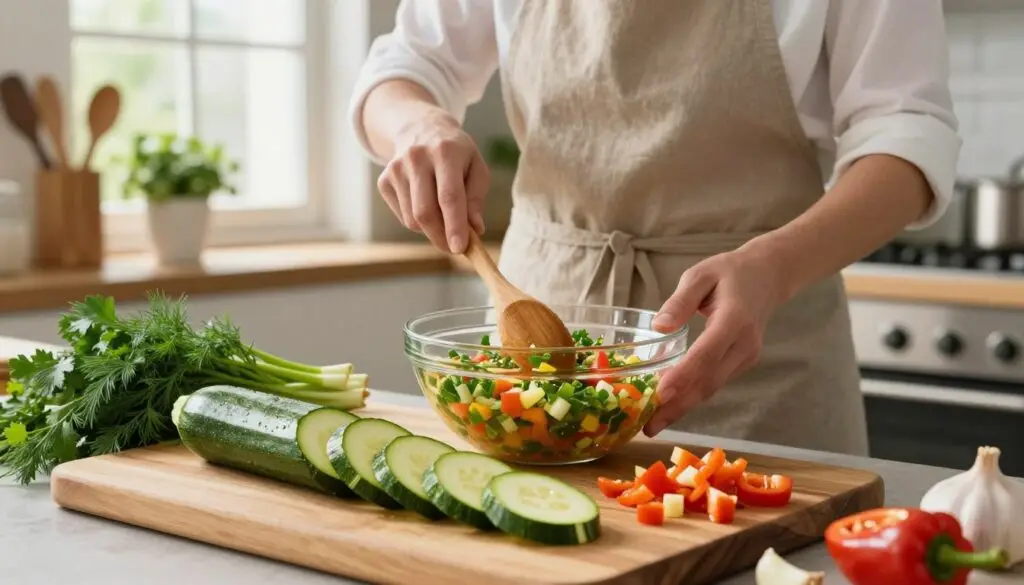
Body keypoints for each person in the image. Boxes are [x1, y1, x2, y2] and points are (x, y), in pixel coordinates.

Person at [349, 0, 960, 456]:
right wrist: (416, 126)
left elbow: (906, 132)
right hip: (534, 357)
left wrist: (774, 267)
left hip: (760, 350)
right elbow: (406, 66)